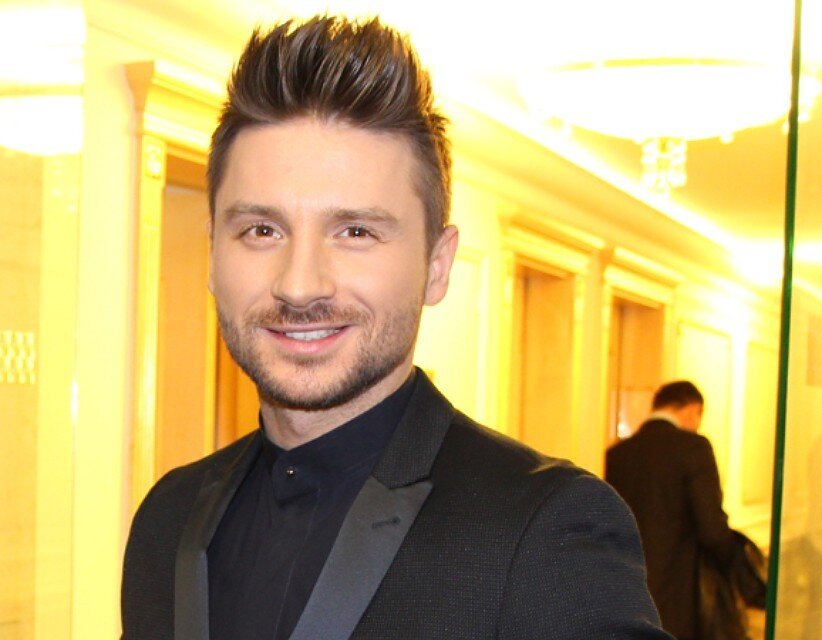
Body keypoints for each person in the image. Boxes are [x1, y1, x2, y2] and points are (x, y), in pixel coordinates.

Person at [117, 15, 670, 640]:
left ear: (437, 267)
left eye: (355, 231)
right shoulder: (167, 517)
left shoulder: (544, 532)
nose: (299, 285)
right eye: (261, 230)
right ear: (214, 254)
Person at [605, 381, 736, 640]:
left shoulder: (618, 453)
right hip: (679, 594)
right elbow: (712, 531)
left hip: (627, 590)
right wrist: (731, 564)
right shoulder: (694, 447)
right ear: (692, 410)